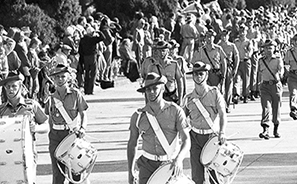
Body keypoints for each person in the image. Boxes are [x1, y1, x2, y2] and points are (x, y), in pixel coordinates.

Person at [127, 72, 191, 184]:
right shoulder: (138, 116)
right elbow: (132, 143)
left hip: (169, 164)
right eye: (148, 89)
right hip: (147, 165)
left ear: (162, 89)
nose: (151, 92)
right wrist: (130, 171)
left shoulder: (175, 111)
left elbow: (186, 140)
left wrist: (179, 159)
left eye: (154, 88)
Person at [182, 61, 227, 184]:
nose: (198, 77)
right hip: (195, 137)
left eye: (201, 74)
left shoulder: (214, 93)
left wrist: (222, 132)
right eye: (195, 74)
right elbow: (181, 119)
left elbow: (222, 114)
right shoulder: (188, 98)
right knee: (197, 175)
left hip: (211, 136)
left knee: (215, 175)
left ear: (206, 75)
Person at [0, 70, 48, 183]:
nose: (11, 89)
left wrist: (35, 128)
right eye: (8, 87)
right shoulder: (1, 110)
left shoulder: (31, 105)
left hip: (27, 154)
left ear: (21, 86)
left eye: (14, 86)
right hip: (6, 156)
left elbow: (46, 126)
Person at [45, 64, 89, 184]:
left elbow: (83, 114)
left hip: (72, 135)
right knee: (58, 173)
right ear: (53, 79)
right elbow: (49, 119)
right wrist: (51, 134)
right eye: (57, 77)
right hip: (55, 137)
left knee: (75, 171)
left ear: (68, 77)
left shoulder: (75, 94)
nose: (60, 79)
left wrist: (82, 128)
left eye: (63, 76)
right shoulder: (50, 99)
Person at [141, 40, 184, 105]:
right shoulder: (152, 67)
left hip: (172, 97)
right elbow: (148, 85)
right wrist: (147, 103)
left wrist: (180, 98)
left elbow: (180, 82)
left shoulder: (174, 65)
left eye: (163, 51)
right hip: (158, 98)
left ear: (168, 51)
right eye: (159, 50)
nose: (161, 53)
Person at [258, 39, 283, 139]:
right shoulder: (261, 60)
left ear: (274, 49)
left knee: (276, 108)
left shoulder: (277, 59)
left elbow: (281, 70)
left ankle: (276, 128)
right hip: (265, 86)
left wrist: (281, 74)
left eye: (270, 48)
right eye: (266, 48)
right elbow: (259, 73)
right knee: (265, 107)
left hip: (275, 86)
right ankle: (265, 129)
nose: (268, 50)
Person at [192, 29, 227, 93]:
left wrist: (223, 76)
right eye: (207, 37)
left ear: (213, 38)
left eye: (210, 37)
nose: (208, 39)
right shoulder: (201, 50)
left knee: (216, 93)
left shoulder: (218, 49)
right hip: (205, 74)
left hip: (215, 75)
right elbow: (195, 63)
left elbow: (224, 63)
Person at [217, 29, 240, 113]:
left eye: (226, 35)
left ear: (228, 36)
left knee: (228, 87)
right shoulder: (218, 46)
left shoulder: (232, 46)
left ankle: (227, 105)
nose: (224, 37)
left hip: (229, 67)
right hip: (220, 68)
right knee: (220, 88)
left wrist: (235, 68)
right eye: (222, 36)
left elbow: (237, 57)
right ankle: (220, 105)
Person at [79, 26, 105, 94]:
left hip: (85, 57)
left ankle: (86, 89)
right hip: (92, 56)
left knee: (87, 73)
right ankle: (90, 90)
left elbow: (80, 50)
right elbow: (102, 37)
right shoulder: (92, 39)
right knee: (93, 73)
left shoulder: (82, 39)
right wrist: (98, 31)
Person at [233, 25, 253, 103]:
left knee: (246, 79)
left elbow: (250, 50)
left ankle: (245, 95)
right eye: (241, 31)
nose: (242, 33)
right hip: (237, 62)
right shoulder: (236, 41)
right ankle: (236, 95)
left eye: (243, 31)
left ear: (246, 32)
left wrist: (248, 55)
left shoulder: (248, 42)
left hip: (245, 61)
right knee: (236, 79)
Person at [284, 34, 297, 120]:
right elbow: (286, 64)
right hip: (293, 74)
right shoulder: (289, 52)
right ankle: (294, 109)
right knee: (293, 92)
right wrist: (287, 73)